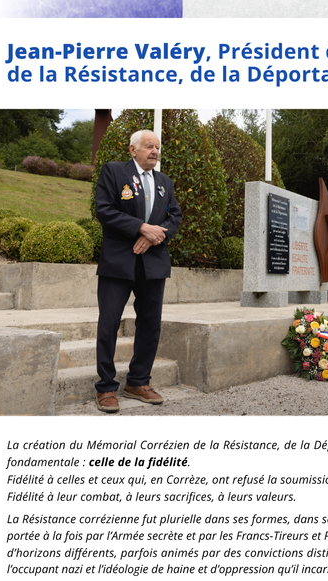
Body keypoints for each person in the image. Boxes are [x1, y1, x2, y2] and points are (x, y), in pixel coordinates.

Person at [94, 129, 182, 413]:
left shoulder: (164, 182)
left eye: (157, 147)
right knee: (109, 322)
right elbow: (104, 210)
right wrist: (140, 228)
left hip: (153, 263)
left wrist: (154, 236)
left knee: (150, 325)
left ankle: (138, 382)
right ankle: (106, 387)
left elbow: (175, 216)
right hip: (119, 261)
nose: (155, 151)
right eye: (148, 146)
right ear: (133, 150)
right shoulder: (114, 171)